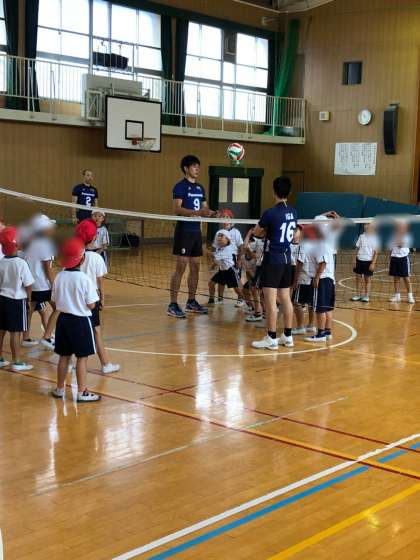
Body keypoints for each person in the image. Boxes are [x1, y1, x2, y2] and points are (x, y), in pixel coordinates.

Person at [51, 237, 101, 402]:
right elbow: (91, 305)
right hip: (80, 322)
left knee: (63, 356)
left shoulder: (59, 276)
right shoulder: (85, 279)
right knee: (82, 357)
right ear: (82, 258)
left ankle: (59, 389)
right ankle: (82, 392)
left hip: (63, 320)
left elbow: (54, 300)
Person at [251, 176, 298, 350]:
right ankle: (288, 336)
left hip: (273, 259)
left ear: (274, 192)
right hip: (287, 259)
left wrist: (265, 232)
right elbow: (293, 234)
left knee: (270, 300)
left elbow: (256, 232)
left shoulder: (270, 212)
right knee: (285, 297)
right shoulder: (294, 212)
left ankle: (271, 338)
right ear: (289, 192)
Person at [168, 155, 215, 318]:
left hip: (196, 232)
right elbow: (177, 209)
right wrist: (198, 212)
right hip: (184, 231)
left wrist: (212, 213)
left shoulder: (200, 188)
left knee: (195, 267)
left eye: (198, 166)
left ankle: (191, 301)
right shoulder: (180, 186)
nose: (197, 169)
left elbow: (204, 209)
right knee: (181, 267)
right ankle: (173, 304)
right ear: (186, 168)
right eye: (194, 166)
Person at [76, 219, 120, 374]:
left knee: (76, 329)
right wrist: (102, 298)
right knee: (96, 330)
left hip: (76, 296)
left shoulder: (75, 253)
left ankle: (69, 363)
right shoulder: (96, 258)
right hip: (91, 297)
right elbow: (100, 282)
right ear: (94, 237)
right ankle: (105, 364)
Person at [0, 226, 34, 371]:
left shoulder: (1, 262)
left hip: (2, 299)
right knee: (16, 332)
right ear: (16, 244)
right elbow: (29, 284)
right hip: (17, 301)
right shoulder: (21, 263)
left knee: (1, 330)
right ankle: (16, 361)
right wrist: (29, 300)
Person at [21, 214, 57, 348]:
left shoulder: (30, 243)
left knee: (29, 310)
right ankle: (47, 337)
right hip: (43, 285)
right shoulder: (46, 244)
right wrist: (54, 285)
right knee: (59, 308)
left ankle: (25, 338)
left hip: (30, 284)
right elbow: (47, 269)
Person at [304, 225, 335, 343]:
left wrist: (316, 277)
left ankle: (321, 333)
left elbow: (323, 263)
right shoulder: (327, 244)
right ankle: (327, 332)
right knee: (328, 308)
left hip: (321, 280)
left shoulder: (319, 246)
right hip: (330, 279)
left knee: (320, 308)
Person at [291, 225, 316, 335]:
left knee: (296, 302)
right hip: (313, 278)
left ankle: (300, 326)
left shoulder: (303, 245)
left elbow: (299, 264)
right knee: (311, 303)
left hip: (303, 278)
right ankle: (311, 325)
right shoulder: (315, 245)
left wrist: (295, 281)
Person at [208, 230, 244, 305]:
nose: (219, 237)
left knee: (236, 289)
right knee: (211, 283)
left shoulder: (227, 249)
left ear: (227, 239)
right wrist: (213, 266)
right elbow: (217, 259)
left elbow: (214, 256)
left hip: (231, 270)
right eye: (218, 236)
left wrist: (201, 249)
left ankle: (244, 300)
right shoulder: (219, 248)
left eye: (222, 236)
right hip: (223, 270)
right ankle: (212, 300)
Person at [218, 209, 244, 306]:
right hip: (223, 259)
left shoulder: (236, 232)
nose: (225, 219)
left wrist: (239, 260)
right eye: (223, 217)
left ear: (231, 219)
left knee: (236, 282)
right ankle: (220, 299)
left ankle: (241, 299)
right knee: (221, 280)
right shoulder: (220, 232)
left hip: (232, 259)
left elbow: (241, 247)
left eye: (227, 217)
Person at [351, 223, 379, 303]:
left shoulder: (375, 238)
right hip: (359, 260)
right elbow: (357, 248)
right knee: (358, 279)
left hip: (368, 261)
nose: (366, 226)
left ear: (372, 227)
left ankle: (366, 296)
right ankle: (358, 295)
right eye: (365, 225)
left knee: (367, 280)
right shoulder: (361, 236)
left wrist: (373, 263)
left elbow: (376, 252)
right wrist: (354, 259)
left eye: (368, 225)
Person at [388, 222, 415, 304]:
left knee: (406, 278)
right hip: (394, 258)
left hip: (403, 259)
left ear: (406, 229)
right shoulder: (393, 236)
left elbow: (400, 245)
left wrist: (397, 237)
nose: (400, 229)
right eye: (399, 227)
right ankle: (397, 297)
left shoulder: (407, 237)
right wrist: (390, 259)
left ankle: (410, 297)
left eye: (402, 227)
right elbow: (391, 248)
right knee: (396, 278)